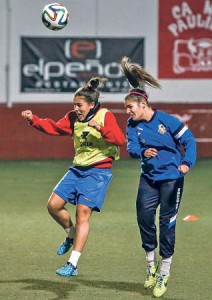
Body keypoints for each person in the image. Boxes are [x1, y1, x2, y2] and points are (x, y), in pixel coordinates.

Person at [21, 77, 125, 277]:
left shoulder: (105, 116)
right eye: (74, 105)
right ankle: (70, 235)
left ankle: (73, 264)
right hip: (77, 169)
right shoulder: (73, 117)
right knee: (53, 205)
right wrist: (33, 120)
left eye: (80, 105)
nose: (76, 108)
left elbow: (120, 140)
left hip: (98, 172)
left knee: (82, 214)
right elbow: (56, 127)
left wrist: (100, 129)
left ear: (92, 104)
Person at [120, 57, 197, 298]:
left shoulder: (166, 120)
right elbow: (131, 147)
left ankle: (164, 272)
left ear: (142, 105)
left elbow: (189, 141)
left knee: (167, 225)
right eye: (126, 108)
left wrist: (186, 164)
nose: (127, 111)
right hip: (149, 179)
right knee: (144, 218)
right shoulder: (133, 126)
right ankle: (150, 265)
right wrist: (143, 151)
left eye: (130, 107)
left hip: (171, 180)